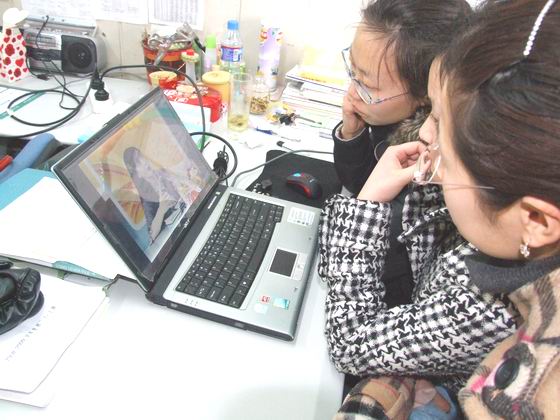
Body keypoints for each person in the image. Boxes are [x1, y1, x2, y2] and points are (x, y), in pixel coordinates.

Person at [333, 0, 560, 417]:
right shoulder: (496, 228)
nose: (423, 132)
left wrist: (364, 207)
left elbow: (349, 342)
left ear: (535, 220)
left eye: (438, 122)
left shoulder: (488, 309)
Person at [334, 0, 473, 309]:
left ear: (426, 93)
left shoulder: (430, 170)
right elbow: (365, 182)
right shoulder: (390, 117)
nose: (352, 91)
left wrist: (357, 213)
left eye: (367, 84)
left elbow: (364, 269)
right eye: (352, 71)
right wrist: (352, 134)